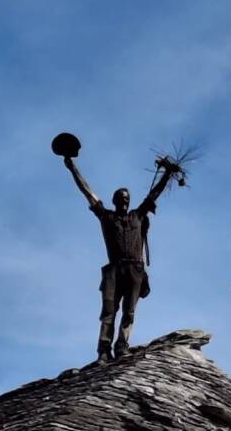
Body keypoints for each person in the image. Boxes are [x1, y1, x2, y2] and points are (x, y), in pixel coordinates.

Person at [63, 155, 178, 363]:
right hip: (115, 271)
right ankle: (103, 350)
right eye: (121, 199)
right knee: (109, 311)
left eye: (127, 199)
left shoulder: (138, 215)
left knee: (129, 312)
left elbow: (154, 194)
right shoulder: (107, 217)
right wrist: (73, 169)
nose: (124, 202)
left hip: (135, 270)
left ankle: (122, 346)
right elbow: (87, 192)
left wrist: (168, 173)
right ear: (114, 201)